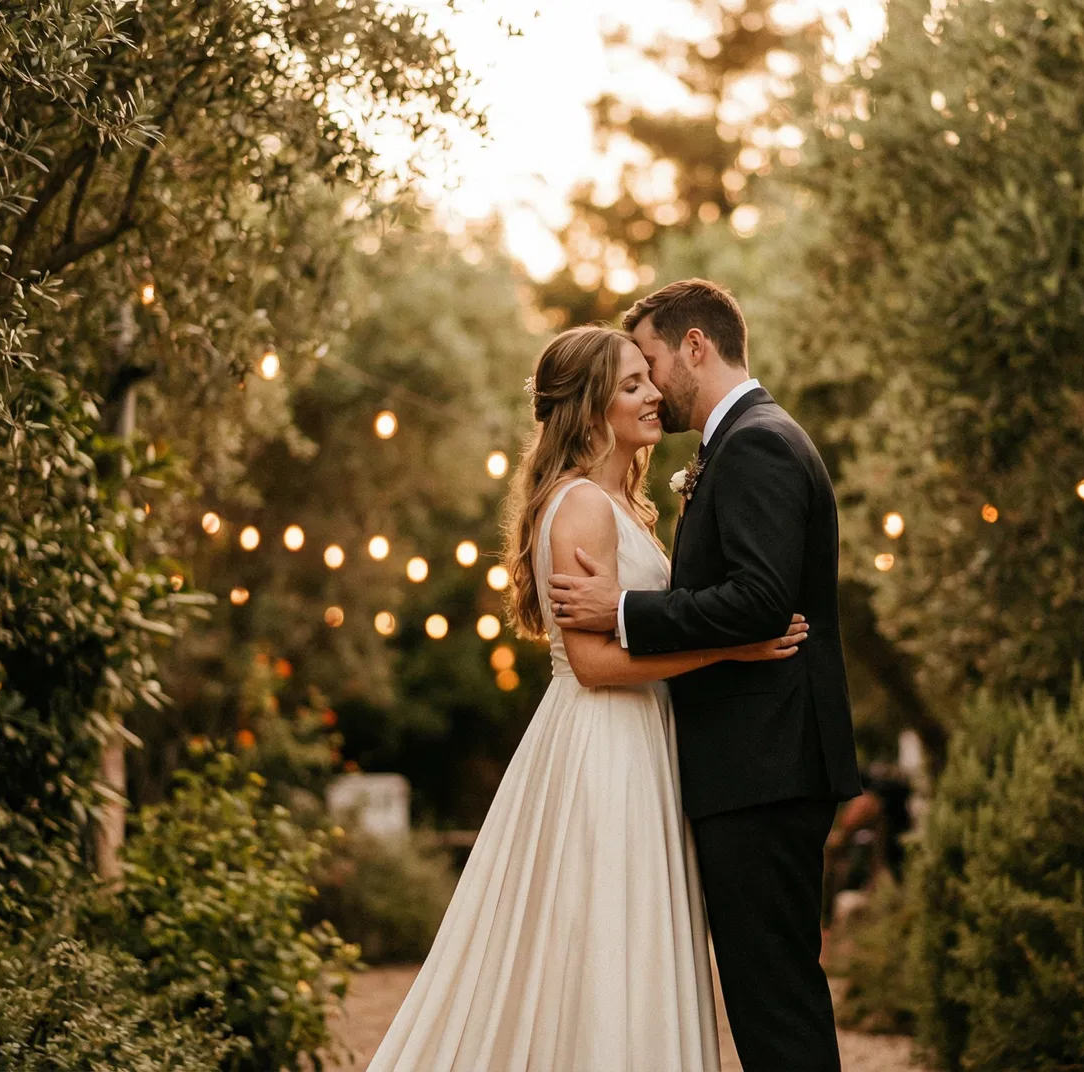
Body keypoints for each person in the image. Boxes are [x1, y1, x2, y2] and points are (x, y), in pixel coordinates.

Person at [367, 324, 809, 1071]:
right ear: (589, 408)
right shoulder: (583, 508)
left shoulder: (618, 504)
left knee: (626, 934)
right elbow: (595, 664)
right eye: (631, 385)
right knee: (606, 934)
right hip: (604, 745)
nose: (652, 395)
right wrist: (730, 648)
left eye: (648, 379)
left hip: (637, 737)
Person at [549, 279, 862, 1071]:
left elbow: (760, 599)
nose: (653, 387)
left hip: (763, 765)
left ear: (695, 346)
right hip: (758, 764)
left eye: (650, 361)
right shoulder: (744, 441)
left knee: (773, 1002)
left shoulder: (755, 442)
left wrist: (623, 609)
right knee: (770, 995)